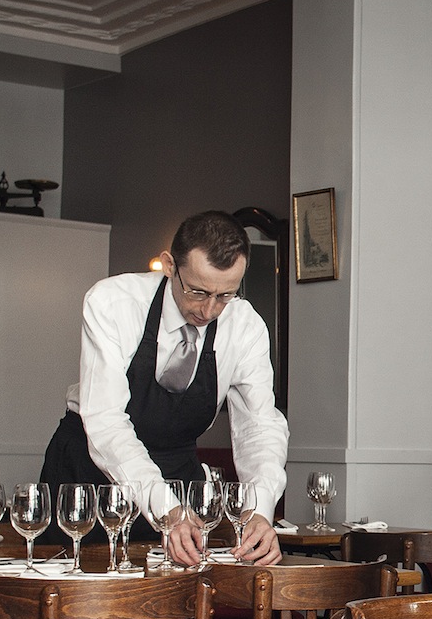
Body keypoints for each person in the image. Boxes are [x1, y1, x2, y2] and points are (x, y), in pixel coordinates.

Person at [42, 209, 287, 567]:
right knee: (77, 607)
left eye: (225, 295)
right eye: (199, 291)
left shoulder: (246, 326)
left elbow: (259, 426)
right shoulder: (113, 302)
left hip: (177, 470)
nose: (208, 310)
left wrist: (259, 510)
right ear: (171, 265)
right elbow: (107, 422)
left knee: (174, 610)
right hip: (89, 473)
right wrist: (166, 509)